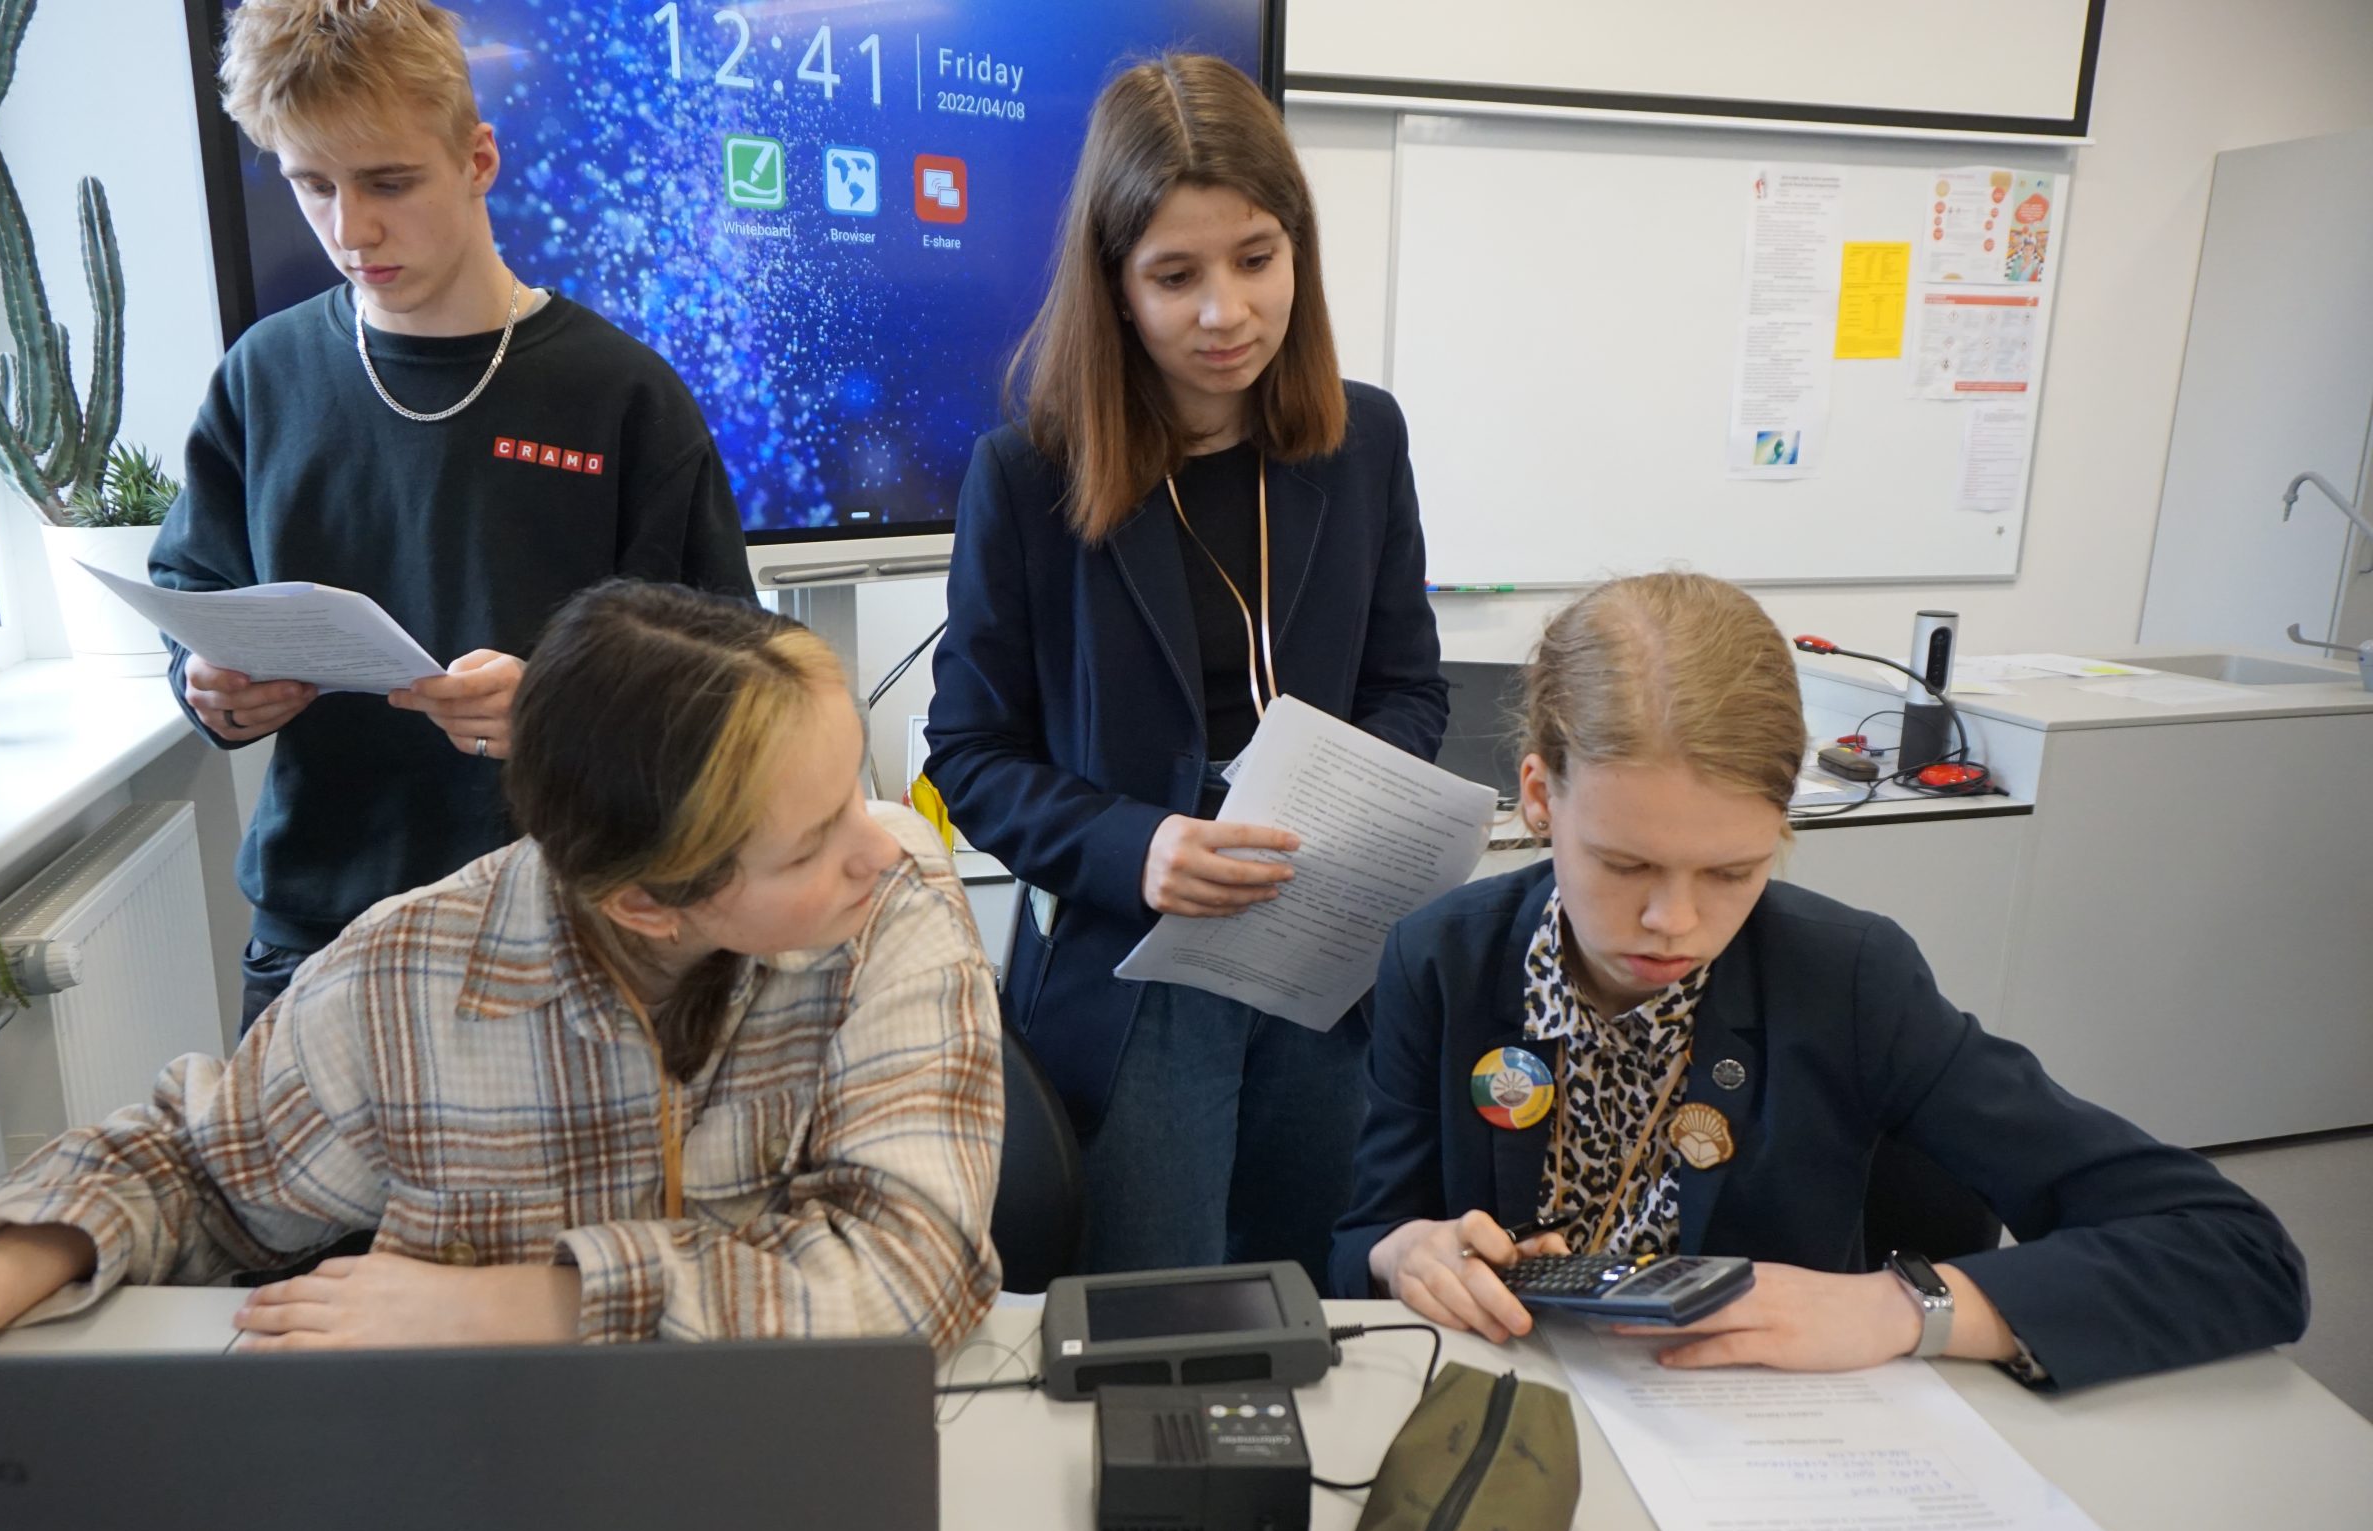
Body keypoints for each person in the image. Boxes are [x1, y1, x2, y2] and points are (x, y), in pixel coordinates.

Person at [0, 584, 1001, 1358]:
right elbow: (192, 1173)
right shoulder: (407, 977)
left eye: (855, 792)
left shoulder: (894, 906)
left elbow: (916, 1278)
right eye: (812, 841)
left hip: (777, 1463)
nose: (882, 843)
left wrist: (529, 1302)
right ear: (644, 901)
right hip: (494, 1485)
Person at [1332, 571, 2308, 1390]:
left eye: (1732, 871)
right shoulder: (1440, 959)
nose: (1675, 922)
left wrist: (1901, 1307)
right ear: (1540, 797)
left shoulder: (1848, 980)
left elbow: (2234, 1249)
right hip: (1509, 1410)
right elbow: (1362, 1237)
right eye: (1625, 865)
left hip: (1765, 1450)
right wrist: (1402, 1252)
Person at [924, 55, 1447, 1281]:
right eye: (1175, 277)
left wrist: (1350, 803)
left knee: (1318, 1289)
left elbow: (1411, 690)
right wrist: (1136, 846)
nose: (1226, 312)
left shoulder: (1365, 438)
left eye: (1256, 259)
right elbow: (969, 755)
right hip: (1134, 972)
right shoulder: (1026, 476)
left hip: (1320, 957)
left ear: (1296, 248)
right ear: (1113, 287)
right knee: (1155, 1309)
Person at [161, 0, 752, 1034]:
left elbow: (732, 685)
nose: (351, 229)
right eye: (313, 185)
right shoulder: (264, 376)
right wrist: (208, 686)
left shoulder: (622, 394)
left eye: (389, 183)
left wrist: (563, 715)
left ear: (478, 159)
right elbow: (195, 596)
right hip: (318, 933)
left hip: (564, 931)